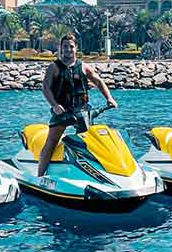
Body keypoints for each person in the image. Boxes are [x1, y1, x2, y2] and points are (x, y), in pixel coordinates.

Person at [35, 33, 118, 177]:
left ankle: (96, 173)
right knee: (51, 143)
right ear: (61, 48)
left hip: (82, 111)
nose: (68, 49)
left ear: (76, 48)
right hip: (62, 112)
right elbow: (46, 88)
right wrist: (54, 105)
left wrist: (109, 98)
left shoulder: (84, 67)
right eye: (65, 46)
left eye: (71, 46)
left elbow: (99, 82)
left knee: (90, 142)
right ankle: (40, 176)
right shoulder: (54, 67)